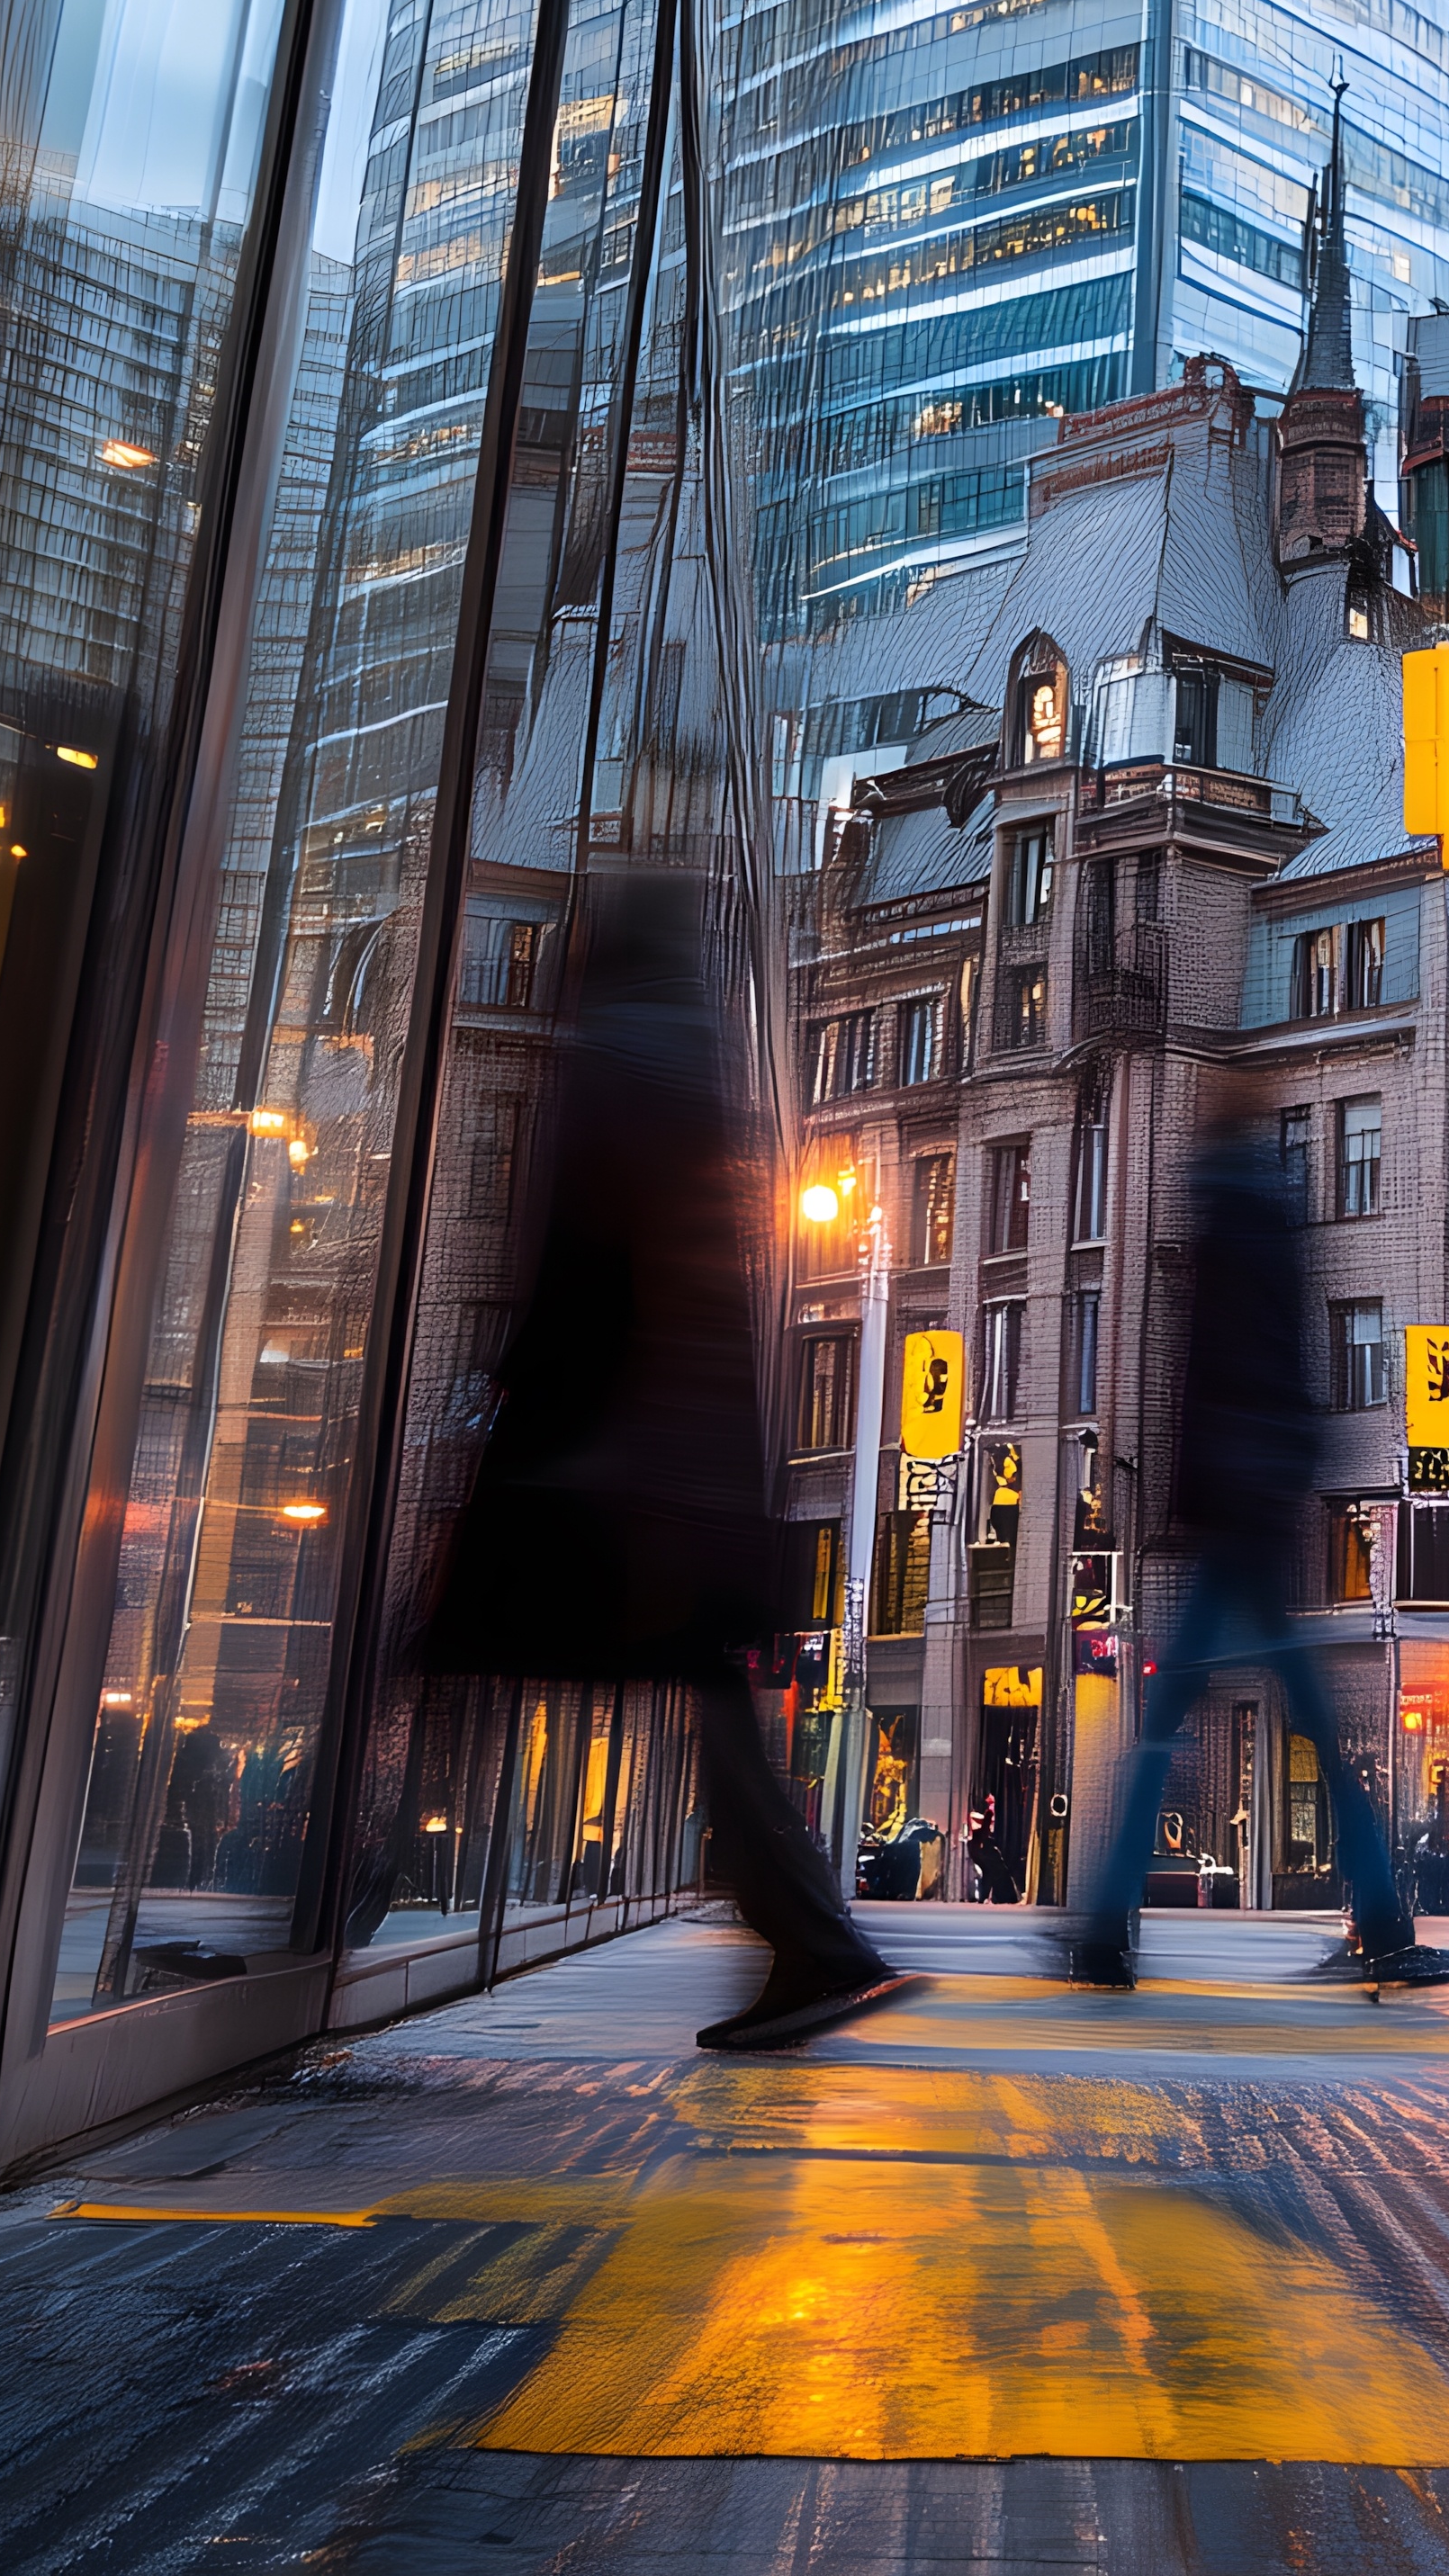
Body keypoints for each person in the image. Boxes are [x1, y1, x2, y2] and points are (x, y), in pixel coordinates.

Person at [407, 872, 910, 2052]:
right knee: (695, 1698)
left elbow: (581, 1265)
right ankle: (816, 1943)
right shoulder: (693, 1077)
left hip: (614, 1465)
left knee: (440, 1655)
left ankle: (337, 1884)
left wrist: (508, 1388)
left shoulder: (618, 1071)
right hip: (673, 1470)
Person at [1061, 1119, 1449, 1990]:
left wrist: (1196, 1498)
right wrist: (1292, 1474)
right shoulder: (1259, 1223)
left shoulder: (1215, 1222)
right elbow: (1277, 1367)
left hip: (1225, 1509)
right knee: (1316, 1727)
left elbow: (1196, 1379)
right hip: (1259, 1510)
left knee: (1165, 1728)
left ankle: (1102, 1927)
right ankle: (1383, 1923)